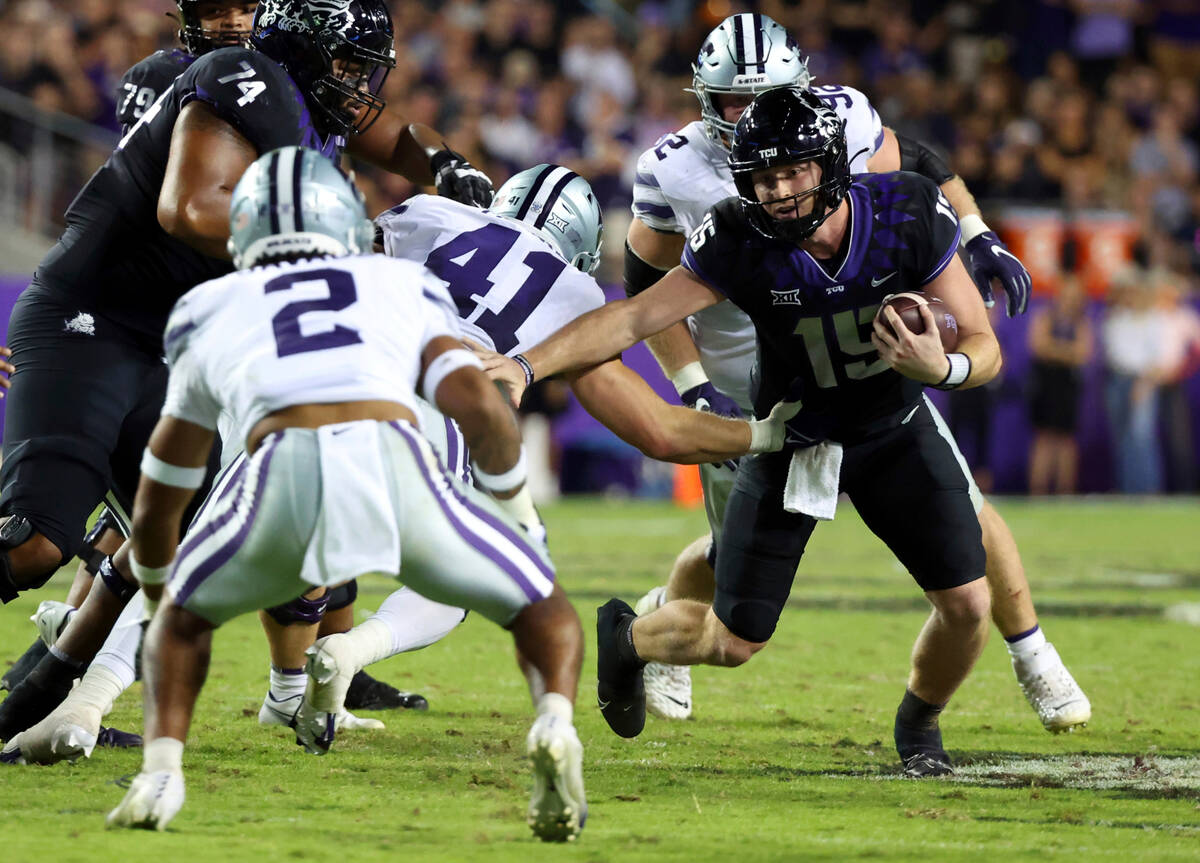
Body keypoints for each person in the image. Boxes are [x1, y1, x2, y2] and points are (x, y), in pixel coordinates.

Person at [0, 0, 492, 751]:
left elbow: (396, 136)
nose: (358, 84)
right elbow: (188, 205)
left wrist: (447, 164)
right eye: (347, 62)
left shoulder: (307, 101)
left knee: (168, 544)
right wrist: (324, 247)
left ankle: (41, 697)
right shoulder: (242, 75)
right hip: (95, 325)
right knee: (36, 542)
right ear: (303, 46)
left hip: (171, 346)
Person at [480, 88, 999, 777]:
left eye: (793, 172)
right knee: (734, 639)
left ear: (830, 166)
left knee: (968, 603)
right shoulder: (738, 236)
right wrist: (525, 362)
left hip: (893, 427)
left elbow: (986, 346)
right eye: (763, 177)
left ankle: (919, 721)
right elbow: (633, 318)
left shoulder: (905, 210)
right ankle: (628, 636)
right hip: (793, 436)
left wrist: (945, 365)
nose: (779, 192)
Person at [623, 12, 1088, 733]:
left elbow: (920, 166)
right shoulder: (673, 166)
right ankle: (663, 635)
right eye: (731, 103)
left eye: (764, 97)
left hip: (855, 351)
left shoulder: (838, 123)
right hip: (751, 376)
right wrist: (691, 384)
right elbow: (641, 284)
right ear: (704, 101)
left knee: (962, 504)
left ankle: (1032, 651)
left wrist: (977, 232)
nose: (748, 117)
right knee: (728, 554)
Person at [105, 147, 586, 841]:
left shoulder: (207, 306)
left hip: (279, 470)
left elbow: (167, 478)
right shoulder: (400, 284)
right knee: (544, 610)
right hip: (400, 462)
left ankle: (161, 772)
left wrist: (158, 586)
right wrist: (517, 519)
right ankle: (554, 722)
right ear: (344, 218)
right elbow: (483, 414)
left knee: (181, 625)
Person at [308, 164, 799, 713]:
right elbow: (661, 434)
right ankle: (349, 651)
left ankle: (285, 685)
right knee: (468, 575)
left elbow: (334, 261)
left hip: (330, 378)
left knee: (311, 522)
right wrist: (763, 433)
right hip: (434, 410)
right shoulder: (577, 297)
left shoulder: (431, 213)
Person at [1028, 276, 1092, 495]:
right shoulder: (1045, 316)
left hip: (1068, 385)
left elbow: (1083, 353)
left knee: (1066, 440)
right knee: (1044, 437)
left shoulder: (1081, 322)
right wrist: (1068, 351)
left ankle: (1065, 493)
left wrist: (1055, 350)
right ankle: (1038, 492)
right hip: (1047, 384)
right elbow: (1039, 346)